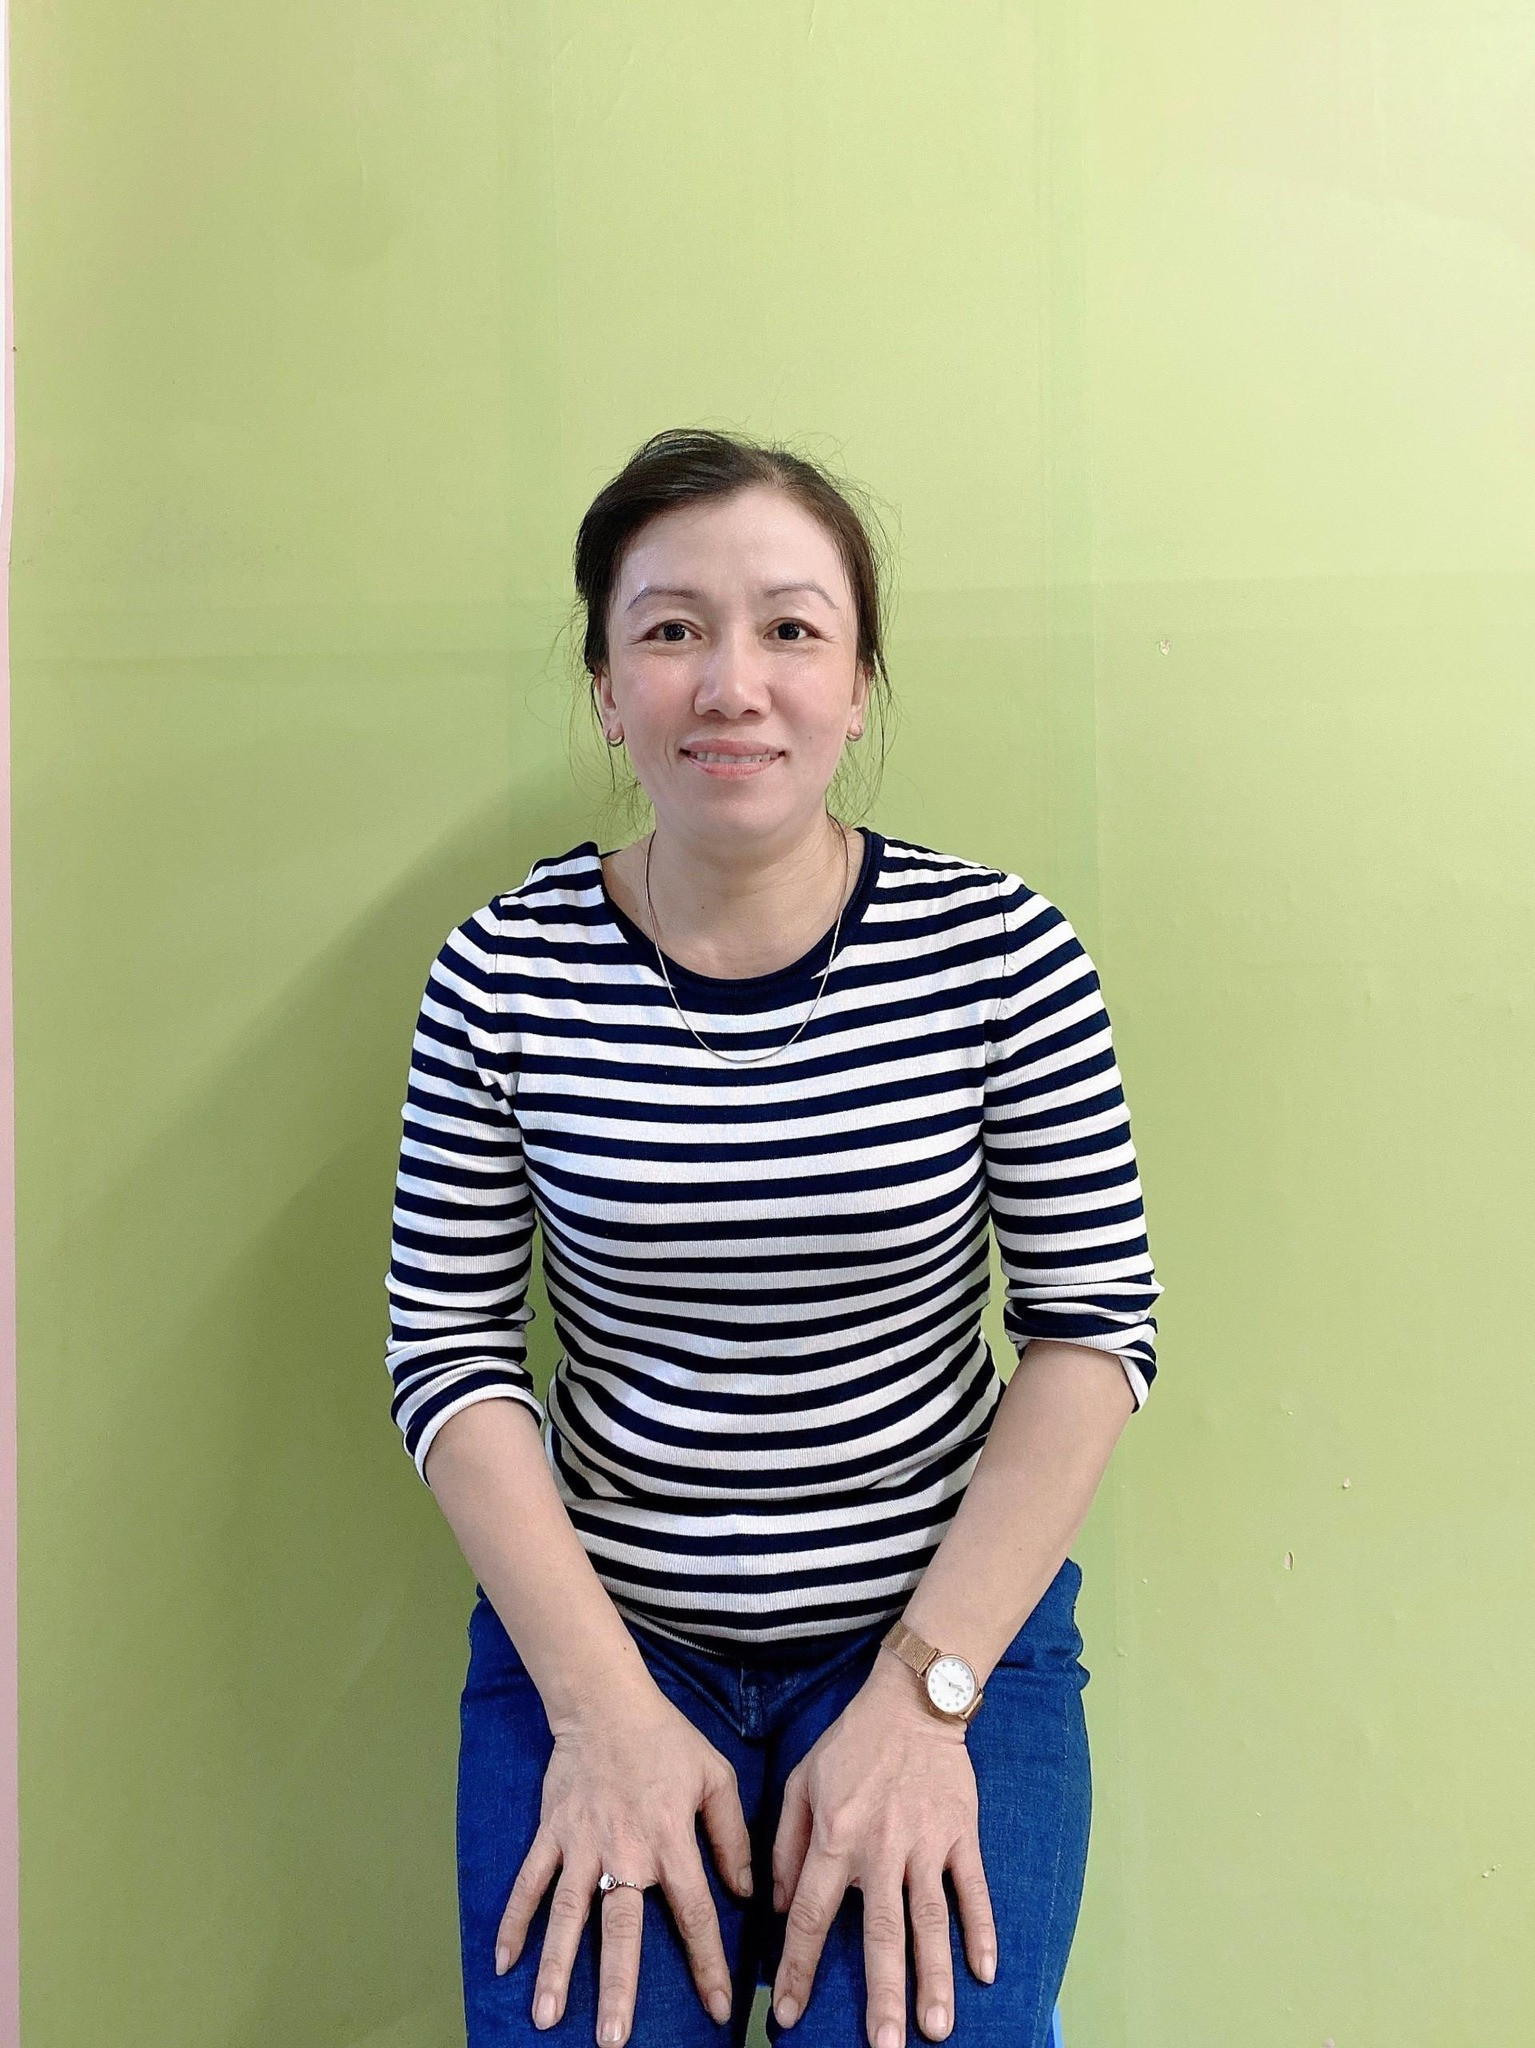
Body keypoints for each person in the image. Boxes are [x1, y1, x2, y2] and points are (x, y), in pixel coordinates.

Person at [383, 427, 1162, 2048]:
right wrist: (600, 1709)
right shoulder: (500, 972)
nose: (731, 683)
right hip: (603, 1640)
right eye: (672, 629)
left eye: (791, 629)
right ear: (607, 687)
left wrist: (924, 1700)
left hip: (939, 1633)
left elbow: (1092, 1333)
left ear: (858, 683)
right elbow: (447, 1351)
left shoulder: (1001, 954)